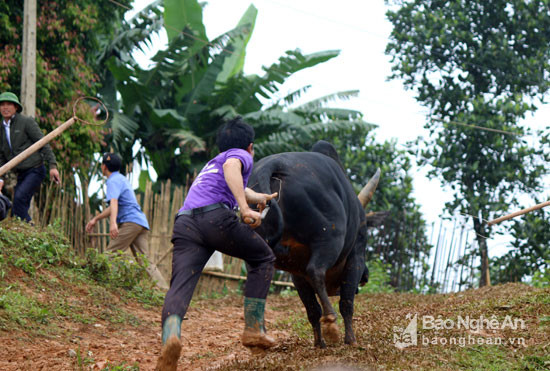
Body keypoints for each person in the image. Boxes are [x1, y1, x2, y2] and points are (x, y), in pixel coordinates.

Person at [155, 117, 278, 371]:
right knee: (263, 258)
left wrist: (257, 197)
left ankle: (171, 338)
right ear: (250, 147)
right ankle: (254, 328)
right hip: (215, 220)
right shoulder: (240, 156)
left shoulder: (214, 162)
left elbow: (236, 184)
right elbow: (233, 169)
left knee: (179, 286)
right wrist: (244, 209)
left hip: (186, 223)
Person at [0, 91, 60, 222]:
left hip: (35, 169)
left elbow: (43, 143)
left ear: (16, 107)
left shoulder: (26, 122)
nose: (5, 107)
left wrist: (53, 166)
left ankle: (29, 226)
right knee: (17, 208)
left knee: (19, 198)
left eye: (9, 104)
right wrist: (0, 179)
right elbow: (1, 157)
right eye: (2, 104)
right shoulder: (1, 128)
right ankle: (26, 233)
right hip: (20, 173)